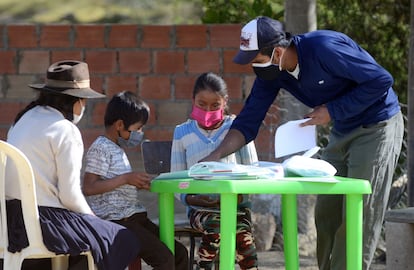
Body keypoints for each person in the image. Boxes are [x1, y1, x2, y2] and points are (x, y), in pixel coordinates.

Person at [201, 16, 404, 270]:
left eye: (255, 60)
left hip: (377, 126)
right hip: (343, 128)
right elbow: (248, 122)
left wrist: (332, 110)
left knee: (359, 212)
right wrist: (215, 156)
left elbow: (381, 80)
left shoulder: (324, 48)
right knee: (326, 212)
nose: (253, 67)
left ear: (277, 52)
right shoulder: (272, 74)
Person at [5, 60, 140, 270]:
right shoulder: (65, 130)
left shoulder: (21, 120)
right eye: (84, 101)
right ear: (76, 101)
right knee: (121, 238)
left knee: (91, 237)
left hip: (9, 221)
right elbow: (70, 196)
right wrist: (93, 218)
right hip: (44, 222)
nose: (83, 107)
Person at [82, 90, 189, 270]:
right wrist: (125, 178)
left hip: (135, 218)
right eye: (138, 128)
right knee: (164, 260)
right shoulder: (100, 148)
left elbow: (116, 184)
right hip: (118, 221)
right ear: (119, 125)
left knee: (179, 253)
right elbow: (89, 187)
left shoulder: (116, 148)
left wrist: (136, 184)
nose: (140, 133)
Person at [170, 72, 259, 270]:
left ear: (225, 102)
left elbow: (254, 173)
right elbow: (175, 180)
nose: (208, 110)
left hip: (237, 207)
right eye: (201, 104)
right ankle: (205, 266)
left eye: (215, 105)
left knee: (243, 238)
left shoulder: (238, 129)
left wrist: (237, 196)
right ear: (192, 100)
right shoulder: (182, 132)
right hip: (200, 210)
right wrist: (192, 199)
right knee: (216, 225)